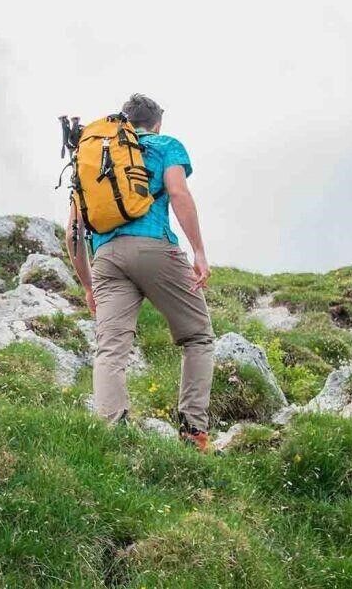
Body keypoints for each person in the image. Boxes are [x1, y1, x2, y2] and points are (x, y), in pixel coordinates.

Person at [65, 93, 215, 452]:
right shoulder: (166, 145)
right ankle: (193, 432)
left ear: (124, 122)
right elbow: (178, 193)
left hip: (106, 259)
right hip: (154, 248)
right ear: (157, 124)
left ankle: (112, 433)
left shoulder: (94, 155)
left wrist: (87, 285)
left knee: (110, 349)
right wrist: (198, 250)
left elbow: (72, 229)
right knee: (197, 337)